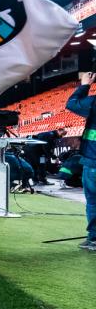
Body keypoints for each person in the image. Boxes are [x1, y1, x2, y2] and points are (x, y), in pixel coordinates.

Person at [63, 72, 96, 252]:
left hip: (93, 161)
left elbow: (72, 104)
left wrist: (84, 85)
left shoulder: (94, 102)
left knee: (94, 201)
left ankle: (95, 239)